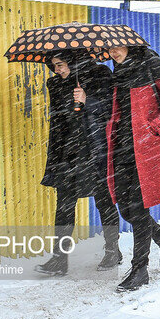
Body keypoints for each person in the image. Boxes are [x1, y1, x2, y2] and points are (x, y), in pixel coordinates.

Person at [107, 45, 160, 292]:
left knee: (138, 209)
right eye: (108, 48)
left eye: (115, 47)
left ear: (129, 45)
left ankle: (139, 269)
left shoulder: (153, 66)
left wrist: (156, 126)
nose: (112, 52)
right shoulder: (119, 72)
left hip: (148, 149)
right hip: (123, 149)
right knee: (127, 210)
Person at [37, 50, 120, 276]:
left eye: (62, 64)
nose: (58, 69)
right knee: (64, 205)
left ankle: (113, 250)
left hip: (95, 149)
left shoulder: (100, 75)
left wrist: (87, 100)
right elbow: (59, 120)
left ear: (73, 61)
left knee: (104, 201)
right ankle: (59, 258)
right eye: (54, 65)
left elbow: (111, 108)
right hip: (68, 152)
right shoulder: (56, 84)